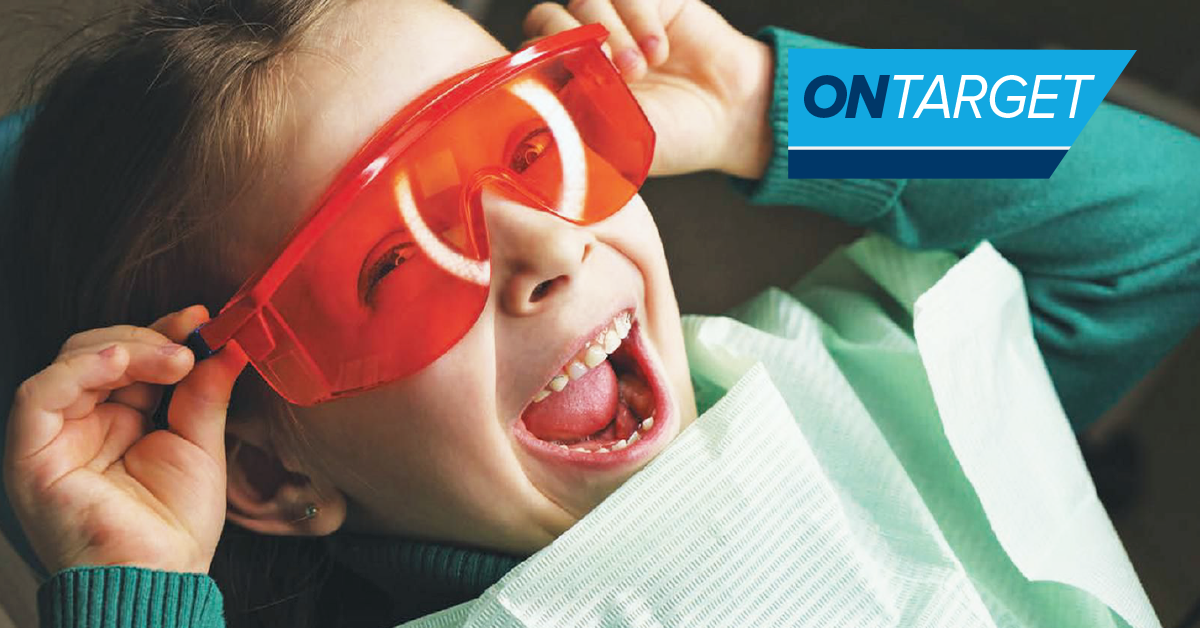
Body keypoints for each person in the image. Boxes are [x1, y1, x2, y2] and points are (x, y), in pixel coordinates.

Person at [2, 0, 1198, 626]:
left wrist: (772, 104)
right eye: (391, 268)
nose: (546, 245)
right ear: (266, 470)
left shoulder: (866, 376)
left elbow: (1172, 217)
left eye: (535, 146)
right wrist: (133, 588)